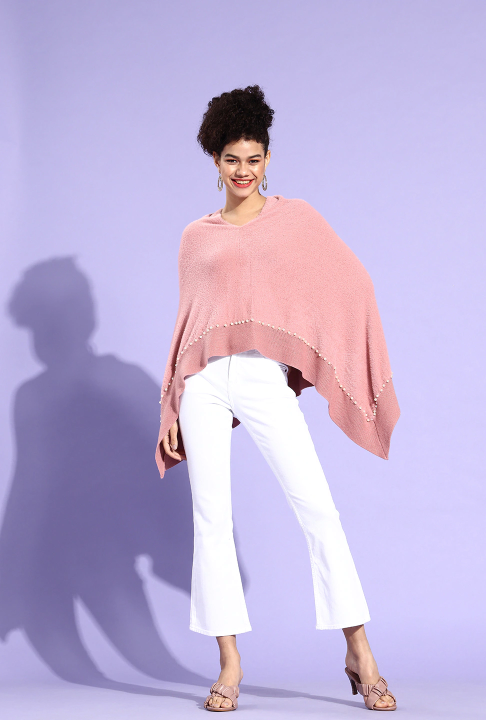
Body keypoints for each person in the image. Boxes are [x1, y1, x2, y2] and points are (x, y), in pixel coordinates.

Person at [159, 85, 398, 712]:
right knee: (212, 520)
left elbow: (350, 283)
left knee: (318, 510)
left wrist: (306, 354)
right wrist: (171, 401)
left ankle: (360, 651)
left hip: (262, 377)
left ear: (268, 158)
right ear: (215, 161)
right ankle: (229, 664)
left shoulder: (296, 220)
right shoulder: (195, 237)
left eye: (254, 158)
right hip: (203, 385)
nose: (243, 171)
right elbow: (188, 325)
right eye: (231, 159)